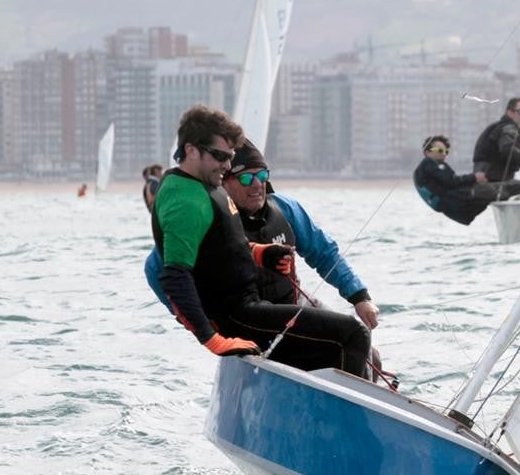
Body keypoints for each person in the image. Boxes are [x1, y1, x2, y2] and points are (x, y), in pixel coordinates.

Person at [149, 104, 372, 378]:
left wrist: (260, 254)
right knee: (353, 335)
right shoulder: (186, 201)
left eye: (230, 157)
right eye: (221, 157)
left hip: (258, 310)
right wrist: (209, 336)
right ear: (192, 150)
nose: (227, 165)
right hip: (241, 316)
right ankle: (347, 417)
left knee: (360, 351)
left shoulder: (206, 188)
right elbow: (172, 275)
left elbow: (222, 247)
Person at [471, 97, 520, 200]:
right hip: (493, 187)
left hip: (485, 188)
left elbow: (503, 150)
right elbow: (507, 148)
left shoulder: (497, 128)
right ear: (510, 113)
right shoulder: (508, 128)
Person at [413, 135, 490, 225]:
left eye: (446, 151)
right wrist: (474, 177)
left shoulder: (427, 167)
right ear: (427, 152)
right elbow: (451, 181)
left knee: (482, 200)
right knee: (489, 192)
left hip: (447, 205)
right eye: (440, 150)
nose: (444, 153)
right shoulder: (429, 163)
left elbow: (450, 181)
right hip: (447, 200)